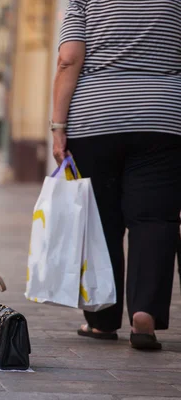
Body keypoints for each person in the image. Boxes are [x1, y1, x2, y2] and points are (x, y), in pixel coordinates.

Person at [51, 0, 181, 350]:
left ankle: (103, 319)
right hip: (162, 119)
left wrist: (58, 126)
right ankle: (145, 315)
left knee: (100, 221)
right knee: (154, 219)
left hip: (95, 120)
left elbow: (69, 58)